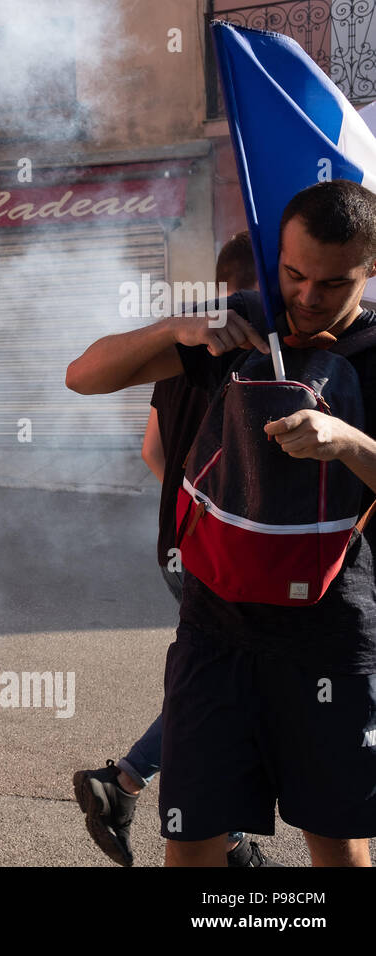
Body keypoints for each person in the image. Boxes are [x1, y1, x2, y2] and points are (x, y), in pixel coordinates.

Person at [67, 179, 376, 867]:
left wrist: (346, 441)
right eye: (294, 273)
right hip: (215, 635)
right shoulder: (236, 321)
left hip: (330, 641)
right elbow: (82, 377)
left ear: (371, 268)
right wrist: (174, 328)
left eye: (334, 282)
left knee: (339, 848)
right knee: (193, 844)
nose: (308, 296)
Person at [72, 232, 278, 866]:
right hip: (239, 560)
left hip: (183, 548)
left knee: (221, 676)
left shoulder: (181, 356)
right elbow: (84, 375)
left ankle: (199, 821)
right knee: (241, 682)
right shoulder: (259, 357)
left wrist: (197, 516)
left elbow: (151, 453)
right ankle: (136, 785)